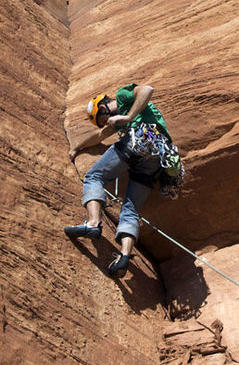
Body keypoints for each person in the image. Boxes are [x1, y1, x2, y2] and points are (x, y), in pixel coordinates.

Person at [63, 83, 181, 277]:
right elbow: (100, 136)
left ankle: (92, 224)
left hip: (141, 139)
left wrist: (128, 117)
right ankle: (124, 256)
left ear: (102, 108)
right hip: (158, 158)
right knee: (131, 208)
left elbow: (147, 89)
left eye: (102, 121)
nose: (105, 125)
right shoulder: (119, 118)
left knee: (94, 176)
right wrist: (77, 146)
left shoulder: (123, 97)